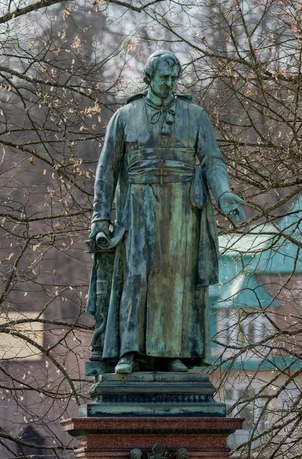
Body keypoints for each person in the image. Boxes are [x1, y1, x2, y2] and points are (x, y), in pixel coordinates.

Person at [87, 50, 245, 374]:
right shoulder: (125, 116)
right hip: (138, 204)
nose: (170, 84)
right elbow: (106, 170)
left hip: (181, 206)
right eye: (164, 78)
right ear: (149, 77)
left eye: (175, 78)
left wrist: (224, 193)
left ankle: (172, 352)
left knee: (175, 280)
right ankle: (129, 352)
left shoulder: (195, 115)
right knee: (136, 276)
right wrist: (101, 217)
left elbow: (212, 160)